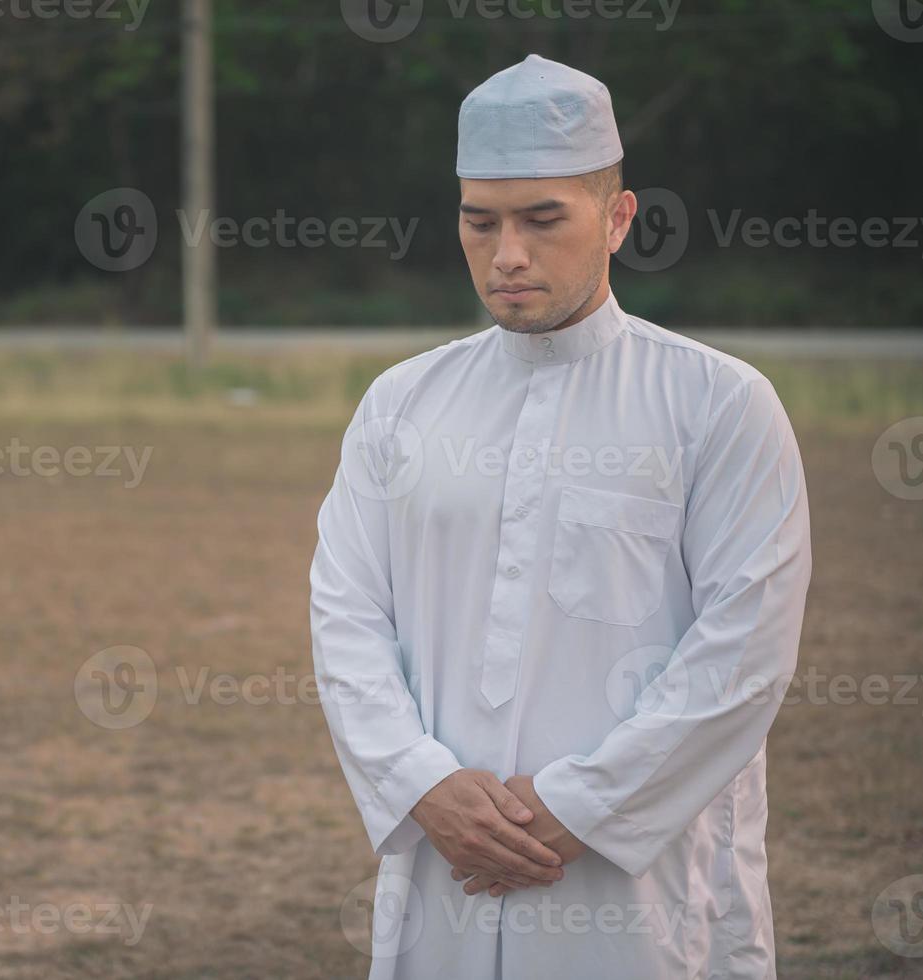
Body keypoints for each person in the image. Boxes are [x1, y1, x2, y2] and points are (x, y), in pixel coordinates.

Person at [309, 53, 812, 979]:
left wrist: (584, 807)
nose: (506, 254)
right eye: (479, 221)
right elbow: (344, 618)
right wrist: (423, 785)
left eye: (543, 219)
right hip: (444, 870)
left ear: (618, 219)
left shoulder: (717, 404)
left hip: (636, 889)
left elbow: (742, 653)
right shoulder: (400, 404)